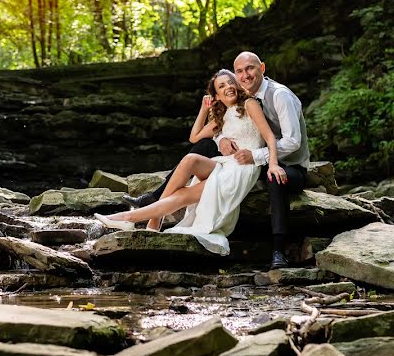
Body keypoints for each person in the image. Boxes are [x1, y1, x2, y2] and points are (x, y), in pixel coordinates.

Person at [123, 51, 310, 269]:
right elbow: (226, 125)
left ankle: (279, 250)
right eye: (239, 71)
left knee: (275, 179)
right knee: (203, 146)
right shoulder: (242, 98)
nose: (245, 75)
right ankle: (154, 199)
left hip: (289, 164)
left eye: (250, 68)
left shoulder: (279, 95)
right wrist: (221, 139)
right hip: (252, 158)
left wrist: (257, 156)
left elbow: (292, 141)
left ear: (263, 68)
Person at [94, 70, 287, 255]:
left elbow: (270, 137)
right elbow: (194, 137)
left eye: (230, 82)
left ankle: (129, 218)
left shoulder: (249, 104)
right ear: (217, 96)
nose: (228, 86)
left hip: (243, 168)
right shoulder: (223, 115)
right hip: (225, 164)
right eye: (222, 86)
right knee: (190, 159)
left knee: (184, 195)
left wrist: (272, 164)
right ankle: (151, 220)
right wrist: (204, 110)